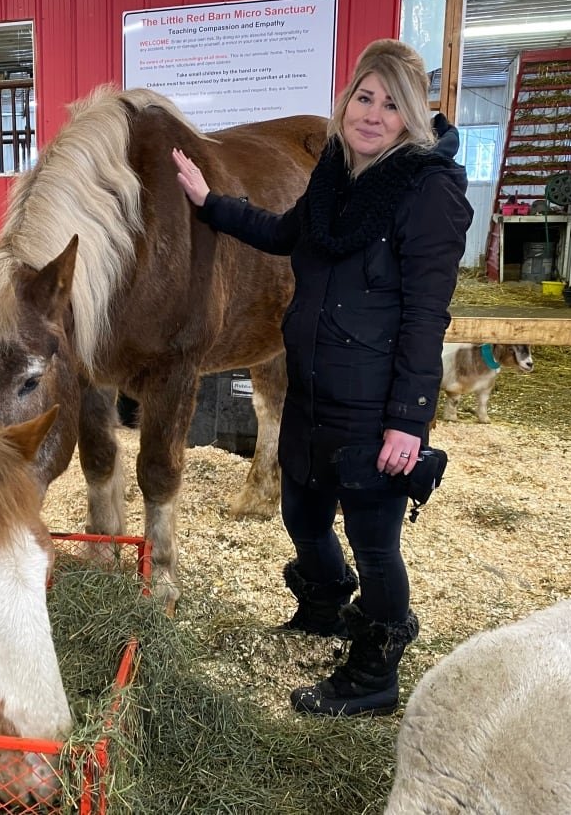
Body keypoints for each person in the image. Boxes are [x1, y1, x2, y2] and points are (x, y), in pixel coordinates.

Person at [172, 39, 471, 717]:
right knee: (303, 515)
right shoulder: (335, 171)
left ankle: (374, 672)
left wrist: (409, 418)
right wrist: (208, 200)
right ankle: (323, 609)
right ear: (347, 101)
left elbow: (428, 314)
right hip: (311, 389)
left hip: (373, 403)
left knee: (375, 543)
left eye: (392, 103)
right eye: (365, 96)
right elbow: (282, 233)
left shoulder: (428, 193)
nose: (373, 113)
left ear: (413, 114)